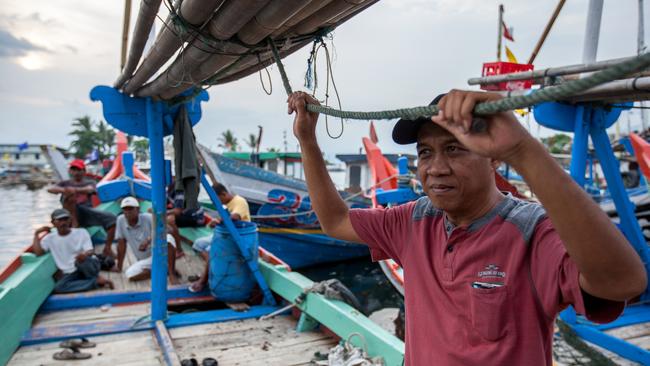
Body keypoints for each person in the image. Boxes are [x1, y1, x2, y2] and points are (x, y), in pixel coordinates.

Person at [287, 90, 647, 365]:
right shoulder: (413, 220)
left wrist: (522, 149)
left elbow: (623, 283)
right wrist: (307, 140)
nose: (436, 168)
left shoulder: (531, 231)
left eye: (455, 149)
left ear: (492, 156)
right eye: (425, 152)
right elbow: (335, 221)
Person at [47, 159, 117, 258]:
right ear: (70, 171)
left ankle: (107, 248)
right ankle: (73, 226)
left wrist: (74, 190)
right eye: (74, 170)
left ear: (84, 171)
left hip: (86, 212)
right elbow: (50, 189)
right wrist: (66, 190)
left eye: (79, 170)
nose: (76, 172)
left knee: (112, 218)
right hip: (68, 214)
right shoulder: (65, 183)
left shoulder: (89, 182)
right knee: (70, 197)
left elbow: (91, 189)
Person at [32, 208, 114, 293]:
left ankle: (94, 277)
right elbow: (38, 253)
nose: (63, 222)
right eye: (59, 220)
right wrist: (36, 234)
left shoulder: (81, 232)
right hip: (71, 272)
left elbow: (90, 251)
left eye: (65, 219)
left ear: (70, 220)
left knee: (81, 261)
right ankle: (95, 282)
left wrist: (84, 255)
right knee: (59, 287)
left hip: (88, 265)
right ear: (53, 223)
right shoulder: (49, 238)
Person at [188, 183, 250, 292]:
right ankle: (210, 270)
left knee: (210, 250)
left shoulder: (239, 201)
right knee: (198, 244)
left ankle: (203, 280)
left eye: (216, 199)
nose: (214, 203)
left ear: (224, 194)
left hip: (237, 238)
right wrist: (214, 222)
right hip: (225, 235)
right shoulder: (227, 205)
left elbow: (235, 217)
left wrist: (220, 221)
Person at [115, 196, 180, 285]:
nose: (127, 212)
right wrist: (119, 266)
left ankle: (172, 274)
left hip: (159, 253)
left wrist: (148, 240)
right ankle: (164, 270)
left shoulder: (148, 217)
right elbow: (121, 243)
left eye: (130, 209)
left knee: (168, 238)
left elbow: (169, 229)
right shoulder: (120, 220)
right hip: (145, 259)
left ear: (138, 209)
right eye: (125, 209)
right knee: (130, 275)